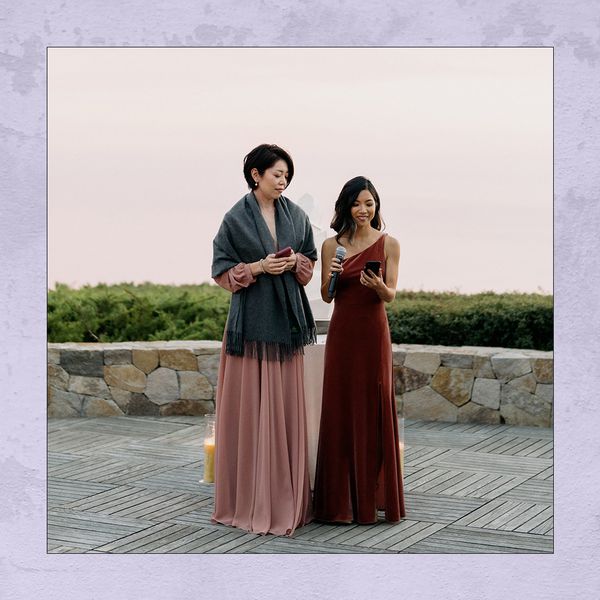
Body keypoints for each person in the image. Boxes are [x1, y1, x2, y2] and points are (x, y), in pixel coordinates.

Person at [211, 143, 317, 536]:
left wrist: (293, 263)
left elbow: (308, 264)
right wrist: (258, 267)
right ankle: (249, 499)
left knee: (284, 411)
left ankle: (283, 496)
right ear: (256, 175)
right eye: (277, 174)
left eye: (287, 175)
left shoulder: (297, 215)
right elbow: (222, 272)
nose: (283, 180)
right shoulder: (235, 218)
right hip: (251, 329)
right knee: (250, 412)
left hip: (287, 325)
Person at [313, 176, 406, 524]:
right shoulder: (330, 245)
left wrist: (380, 284)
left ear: (376, 206)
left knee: (373, 405)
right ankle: (339, 502)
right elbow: (326, 295)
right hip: (342, 332)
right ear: (346, 207)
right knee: (340, 407)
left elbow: (391, 295)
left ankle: (371, 498)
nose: (363, 210)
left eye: (369, 203)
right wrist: (333, 275)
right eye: (357, 203)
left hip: (373, 333)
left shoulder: (389, 244)